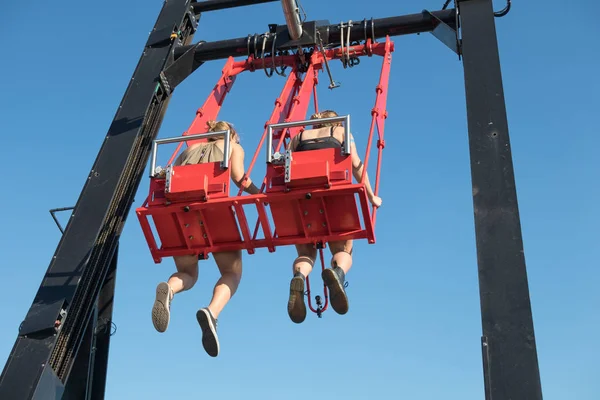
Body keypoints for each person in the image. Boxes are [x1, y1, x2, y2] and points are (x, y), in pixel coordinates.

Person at [151, 120, 260, 357]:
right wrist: (259, 192)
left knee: (189, 273)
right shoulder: (233, 147)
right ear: (231, 133)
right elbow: (240, 178)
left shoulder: (188, 149)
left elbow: (167, 180)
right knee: (232, 273)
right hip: (214, 211)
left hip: (179, 214)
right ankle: (212, 312)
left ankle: (169, 289)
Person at [285, 110, 382, 323]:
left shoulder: (298, 137)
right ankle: (338, 273)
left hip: (302, 201)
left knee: (306, 253)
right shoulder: (340, 131)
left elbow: (284, 168)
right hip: (335, 196)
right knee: (343, 249)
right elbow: (357, 165)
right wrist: (372, 195)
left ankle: (299, 276)